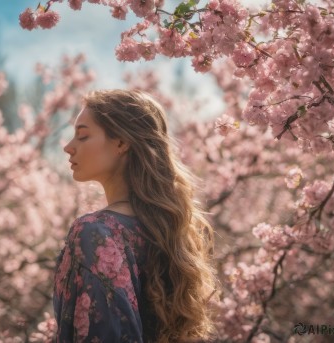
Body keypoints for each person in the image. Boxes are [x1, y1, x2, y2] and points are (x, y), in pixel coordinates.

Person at [55, 89, 219, 343]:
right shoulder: (167, 230)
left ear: (121, 143)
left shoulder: (95, 231)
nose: (68, 147)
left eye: (83, 136)